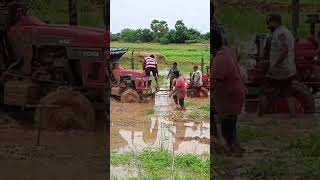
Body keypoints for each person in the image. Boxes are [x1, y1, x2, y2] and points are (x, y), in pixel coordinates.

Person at [211, 28, 246, 156]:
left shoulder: (219, 59)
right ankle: (235, 148)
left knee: (227, 127)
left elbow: (214, 82)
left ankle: (229, 151)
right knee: (231, 125)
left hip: (229, 96)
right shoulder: (227, 52)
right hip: (236, 93)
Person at [258, 14, 296, 118]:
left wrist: (274, 65)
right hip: (289, 70)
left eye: (269, 23)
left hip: (278, 70)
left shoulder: (279, 34)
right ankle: (293, 117)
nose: (268, 26)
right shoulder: (288, 32)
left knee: (264, 91)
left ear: (274, 22)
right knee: (288, 94)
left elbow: (284, 51)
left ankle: (260, 117)